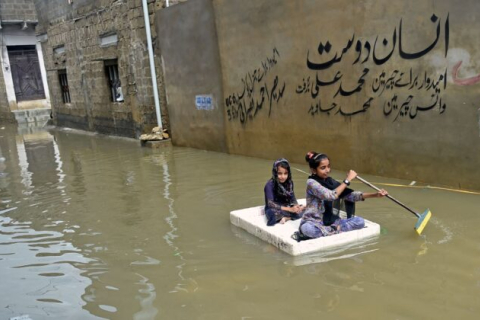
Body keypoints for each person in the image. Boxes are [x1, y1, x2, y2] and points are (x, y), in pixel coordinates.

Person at [299, 152, 388, 239]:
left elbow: (350, 196)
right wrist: (347, 180)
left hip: (332, 221)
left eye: (328, 166)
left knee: (360, 221)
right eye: (323, 168)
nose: (328, 170)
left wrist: (376, 194)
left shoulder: (330, 181)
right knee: (307, 229)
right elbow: (330, 196)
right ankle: (334, 229)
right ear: (314, 170)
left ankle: (331, 229)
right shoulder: (311, 183)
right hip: (314, 222)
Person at [264, 158, 304, 226]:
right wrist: (290, 209)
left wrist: (296, 206)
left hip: (286, 206)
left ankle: (287, 218)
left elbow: (292, 198)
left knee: (304, 210)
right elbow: (270, 204)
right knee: (273, 216)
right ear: (275, 173)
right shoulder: (269, 185)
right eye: (279, 173)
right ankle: (288, 216)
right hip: (274, 208)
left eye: (285, 173)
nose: (283, 177)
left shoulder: (289, 183)